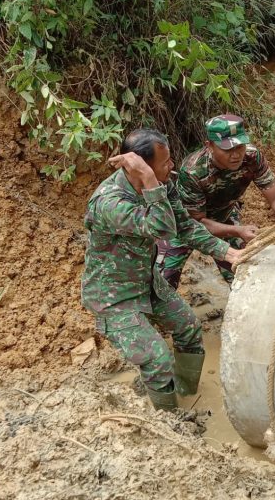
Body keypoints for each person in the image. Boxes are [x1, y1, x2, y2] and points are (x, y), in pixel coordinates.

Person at [81, 128, 241, 411]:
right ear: (141, 167)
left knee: (190, 329)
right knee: (157, 359)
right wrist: (151, 182)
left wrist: (228, 252)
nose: (172, 166)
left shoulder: (162, 184)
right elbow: (163, 229)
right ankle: (168, 420)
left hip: (147, 282)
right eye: (164, 162)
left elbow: (184, 225)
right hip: (113, 297)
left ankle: (185, 391)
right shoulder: (110, 202)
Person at [158, 114, 275, 288]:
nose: (236, 154)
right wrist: (238, 231)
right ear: (210, 146)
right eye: (227, 149)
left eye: (240, 146)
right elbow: (196, 222)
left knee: (244, 274)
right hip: (185, 225)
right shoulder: (193, 171)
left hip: (225, 216)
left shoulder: (252, 157)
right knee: (162, 282)